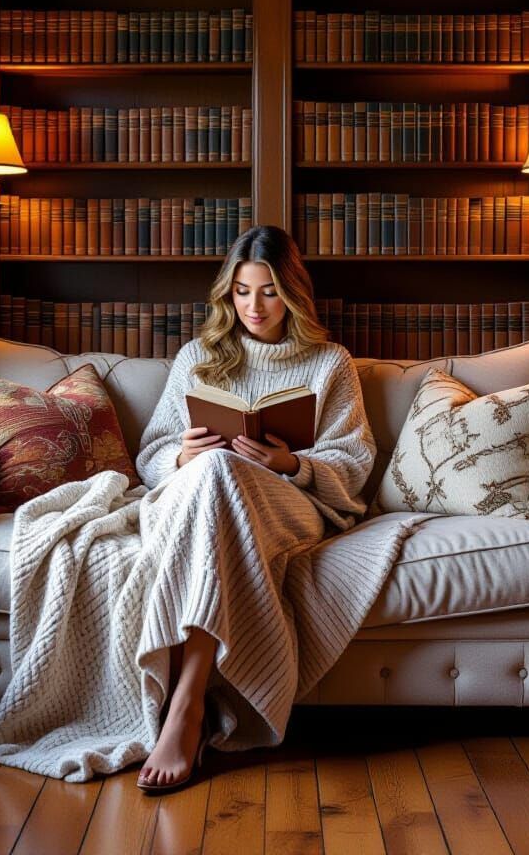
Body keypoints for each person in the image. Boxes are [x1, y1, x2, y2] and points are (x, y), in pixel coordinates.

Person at [132, 223, 377, 793]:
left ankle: (186, 702)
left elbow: (354, 457)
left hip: (289, 500)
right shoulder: (198, 356)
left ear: (290, 292)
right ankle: (190, 697)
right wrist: (180, 456)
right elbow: (151, 452)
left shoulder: (328, 362)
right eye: (242, 291)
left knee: (223, 473)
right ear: (227, 293)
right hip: (205, 495)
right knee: (214, 469)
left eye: (267, 291)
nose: (254, 306)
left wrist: (289, 463)